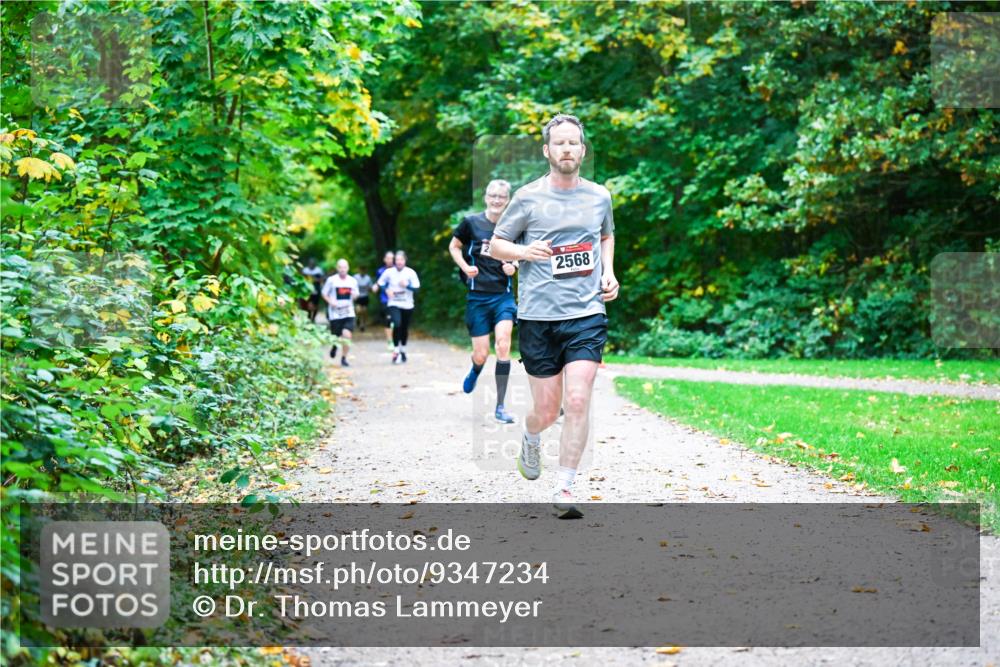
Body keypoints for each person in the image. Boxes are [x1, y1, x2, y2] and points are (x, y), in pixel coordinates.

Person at [489, 113, 618, 519]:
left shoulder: (599, 196)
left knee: (578, 399)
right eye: (559, 143)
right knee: (547, 410)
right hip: (539, 317)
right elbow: (496, 246)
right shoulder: (528, 197)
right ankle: (530, 435)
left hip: (586, 313)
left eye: (573, 143)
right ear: (547, 151)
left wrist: (609, 271)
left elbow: (606, 235)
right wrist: (526, 252)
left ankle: (564, 486)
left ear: (582, 149)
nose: (567, 149)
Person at [449, 179, 519, 424]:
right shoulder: (471, 223)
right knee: (481, 354)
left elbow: (521, 253)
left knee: (503, 345)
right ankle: (475, 370)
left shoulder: (513, 226)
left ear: (507, 199)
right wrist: (465, 266)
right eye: (493, 195)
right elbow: (454, 246)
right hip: (477, 297)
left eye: (502, 196)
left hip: (503, 296)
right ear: (486, 197)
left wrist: (515, 265)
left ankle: (500, 407)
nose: (497, 200)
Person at [376, 250, 420, 364]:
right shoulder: (389, 272)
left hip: (407, 304)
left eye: (401, 260)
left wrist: (408, 285)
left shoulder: (411, 273)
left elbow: (417, 288)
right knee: (397, 323)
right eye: (397, 260)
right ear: (394, 261)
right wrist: (386, 290)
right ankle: (396, 350)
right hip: (394, 303)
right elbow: (380, 283)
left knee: (404, 327)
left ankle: (403, 350)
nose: (399, 262)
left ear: (405, 260)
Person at [322, 259, 360, 367]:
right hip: (335, 313)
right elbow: (324, 293)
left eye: (344, 267)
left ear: (348, 268)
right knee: (336, 336)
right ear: (337, 268)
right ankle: (334, 346)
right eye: (340, 267)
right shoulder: (331, 280)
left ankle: (344, 358)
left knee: (347, 335)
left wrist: (354, 295)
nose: (342, 269)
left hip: (348, 312)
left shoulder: (352, 281)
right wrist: (331, 301)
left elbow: (356, 294)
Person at [371, 250, 396, 351]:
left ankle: (395, 339)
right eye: (388, 258)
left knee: (396, 321)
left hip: (398, 300)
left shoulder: (398, 270)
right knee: (388, 320)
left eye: (392, 258)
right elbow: (378, 282)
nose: (390, 260)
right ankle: (390, 341)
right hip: (385, 299)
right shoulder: (380, 271)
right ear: (384, 259)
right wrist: (375, 286)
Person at [301, 258, 325, 323]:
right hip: (307, 291)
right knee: (307, 305)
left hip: (316, 290)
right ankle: (308, 317)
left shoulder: (318, 270)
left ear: (315, 264)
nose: (311, 265)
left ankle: (313, 318)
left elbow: (322, 279)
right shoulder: (305, 270)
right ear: (308, 264)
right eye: (310, 263)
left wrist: (314, 280)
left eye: (313, 263)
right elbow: (301, 279)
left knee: (315, 305)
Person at [353, 267, 373, 332]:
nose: (362, 271)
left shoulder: (368, 278)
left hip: (365, 296)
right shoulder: (355, 277)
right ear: (359, 270)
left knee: (364, 311)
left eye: (363, 270)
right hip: (358, 296)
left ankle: (362, 324)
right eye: (361, 270)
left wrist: (368, 288)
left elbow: (371, 288)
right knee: (358, 310)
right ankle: (358, 318)